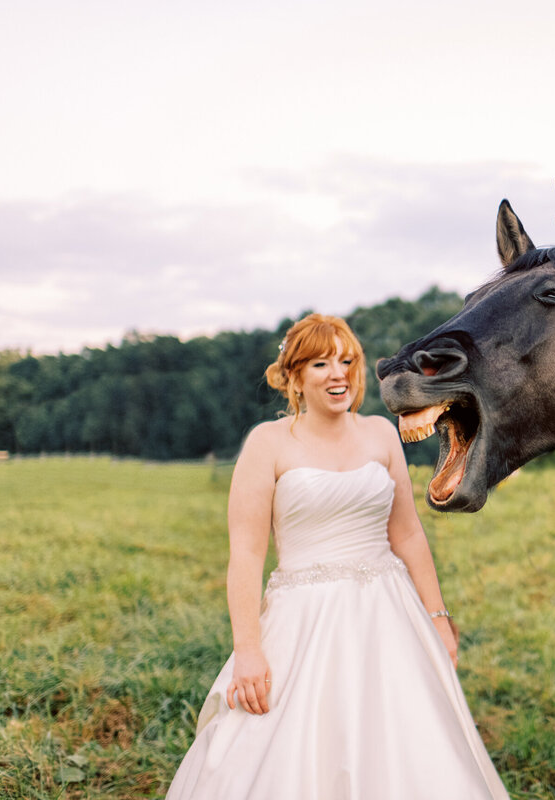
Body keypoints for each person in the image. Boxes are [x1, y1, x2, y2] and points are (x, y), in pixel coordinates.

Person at [166, 313, 508, 799]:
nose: (339, 373)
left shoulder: (381, 435)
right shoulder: (267, 445)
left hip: (388, 615)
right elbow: (245, 554)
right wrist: (247, 648)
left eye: (347, 361)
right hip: (302, 619)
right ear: (295, 377)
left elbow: (408, 534)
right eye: (322, 363)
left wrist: (437, 616)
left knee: (405, 743)